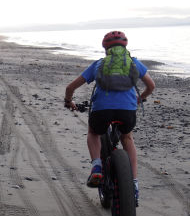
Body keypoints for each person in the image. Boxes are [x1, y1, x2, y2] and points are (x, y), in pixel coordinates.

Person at [64, 31, 155, 205]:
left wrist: (69, 101)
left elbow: (71, 87)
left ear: (105, 48)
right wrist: (139, 98)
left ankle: (97, 166)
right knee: (127, 138)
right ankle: (134, 184)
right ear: (125, 47)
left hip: (101, 111)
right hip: (126, 111)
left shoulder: (99, 64)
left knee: (93, 132)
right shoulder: (134, 62)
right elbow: (151, 86)